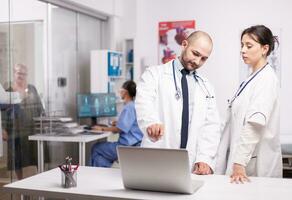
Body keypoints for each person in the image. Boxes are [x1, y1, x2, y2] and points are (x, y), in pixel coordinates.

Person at [135, 31, 221, 175]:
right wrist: (151, 123)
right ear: (184, 44)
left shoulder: (206, 86)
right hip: (158, 154)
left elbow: (211, 125)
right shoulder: (154, 74)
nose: (197, 61)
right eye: (195, 53)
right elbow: (144, 103)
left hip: (190, 163)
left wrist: (205, 158)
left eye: (204, 59)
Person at [215, 25, 282, 183]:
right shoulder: (251, 78)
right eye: (242, 45)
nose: (243, 50)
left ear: (264, 49)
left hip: (253, 164)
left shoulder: (266, 79)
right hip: (243, 158)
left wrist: (239, 163)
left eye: (249, 46)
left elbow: (255, 123)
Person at [1, 63, 44, 180]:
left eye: (24, 73)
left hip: (31, 129)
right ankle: (19, 181)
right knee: (17, 158)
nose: (21, 76)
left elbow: (40, 108)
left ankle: (37, 180)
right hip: (15, 130)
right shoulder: (9, 91)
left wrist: (44, 123)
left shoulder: (32, 88)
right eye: (19, 73)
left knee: (34, 155)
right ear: (14, 74)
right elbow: (3, 112)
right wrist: (3, 129)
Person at [90, 80, 143, 167]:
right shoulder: (134, 105)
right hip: (135, 144)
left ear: (125, 92)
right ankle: (105, 172)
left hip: (126, 147)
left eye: (120, 90)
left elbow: (119, 129)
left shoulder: (129, 107)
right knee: (101, 156)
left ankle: (98, 173)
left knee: (96, 148)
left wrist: (102, 128)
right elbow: (129, 124)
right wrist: (119, 123)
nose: (119, 93)